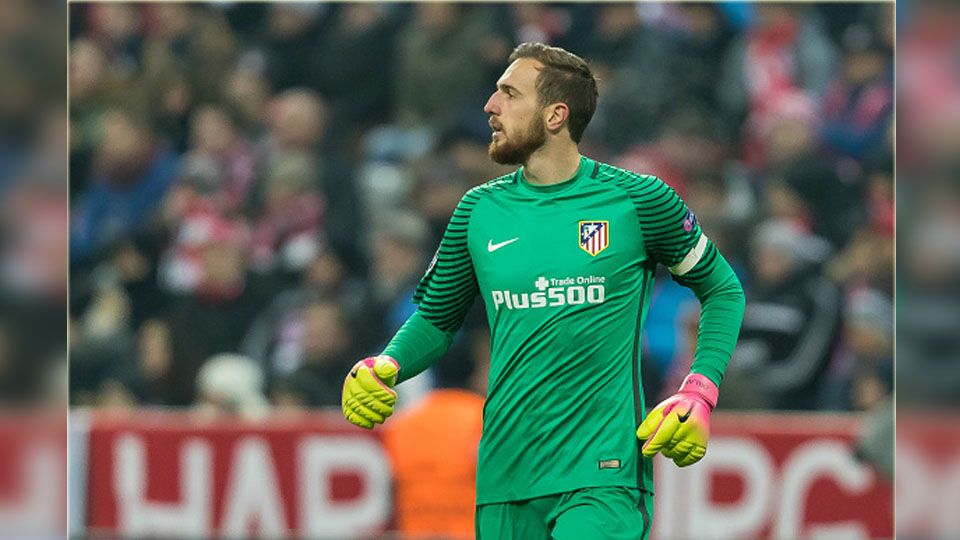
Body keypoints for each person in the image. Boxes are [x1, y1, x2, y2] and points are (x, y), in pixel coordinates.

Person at [342, 43, 745, 539]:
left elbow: (723, 289)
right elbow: (436, 318)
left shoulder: (637, 200)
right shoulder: (477, 211)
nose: (490, 106)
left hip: (602, 475)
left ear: (556, 115)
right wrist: (388, 364)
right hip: (504, 477)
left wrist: (699, 390)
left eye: (509, 93)